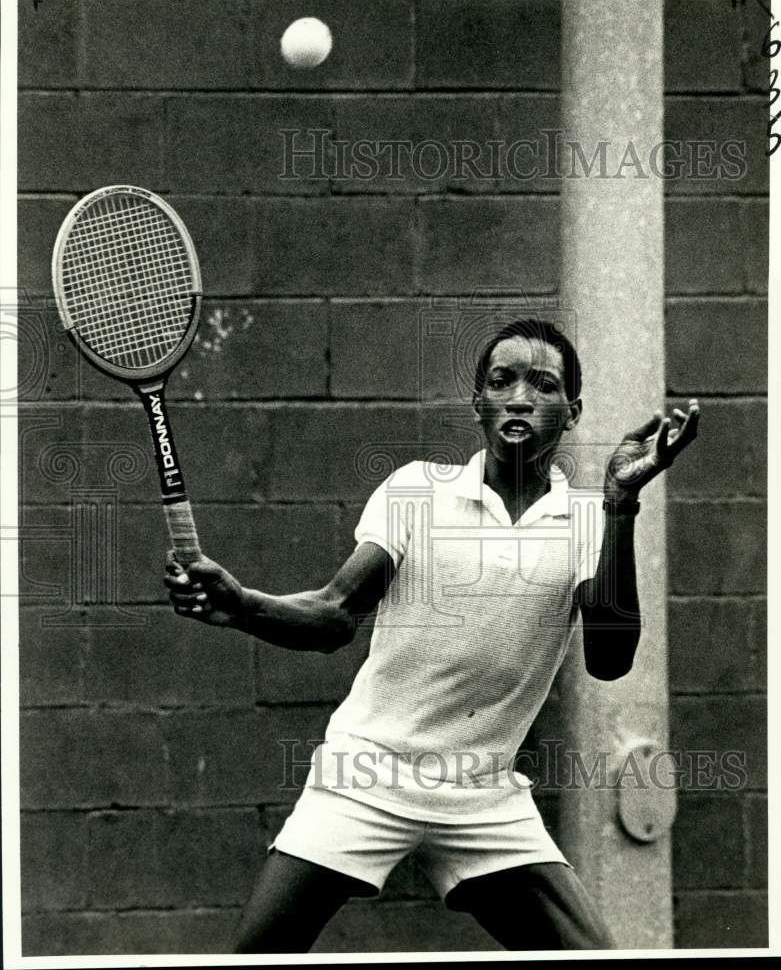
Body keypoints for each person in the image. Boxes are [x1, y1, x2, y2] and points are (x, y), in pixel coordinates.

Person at [164, 318, 699, 953]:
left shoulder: (590, 519)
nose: (521, 396)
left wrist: (620, 502)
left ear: (572, 411)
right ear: (479, 404)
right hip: (365, 774)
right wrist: (244, 603)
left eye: (544, 385)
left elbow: (610, 659)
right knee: (254, 958)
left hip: (482, 792)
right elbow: (336, 615)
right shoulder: (417, 489)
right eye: (502, 381)